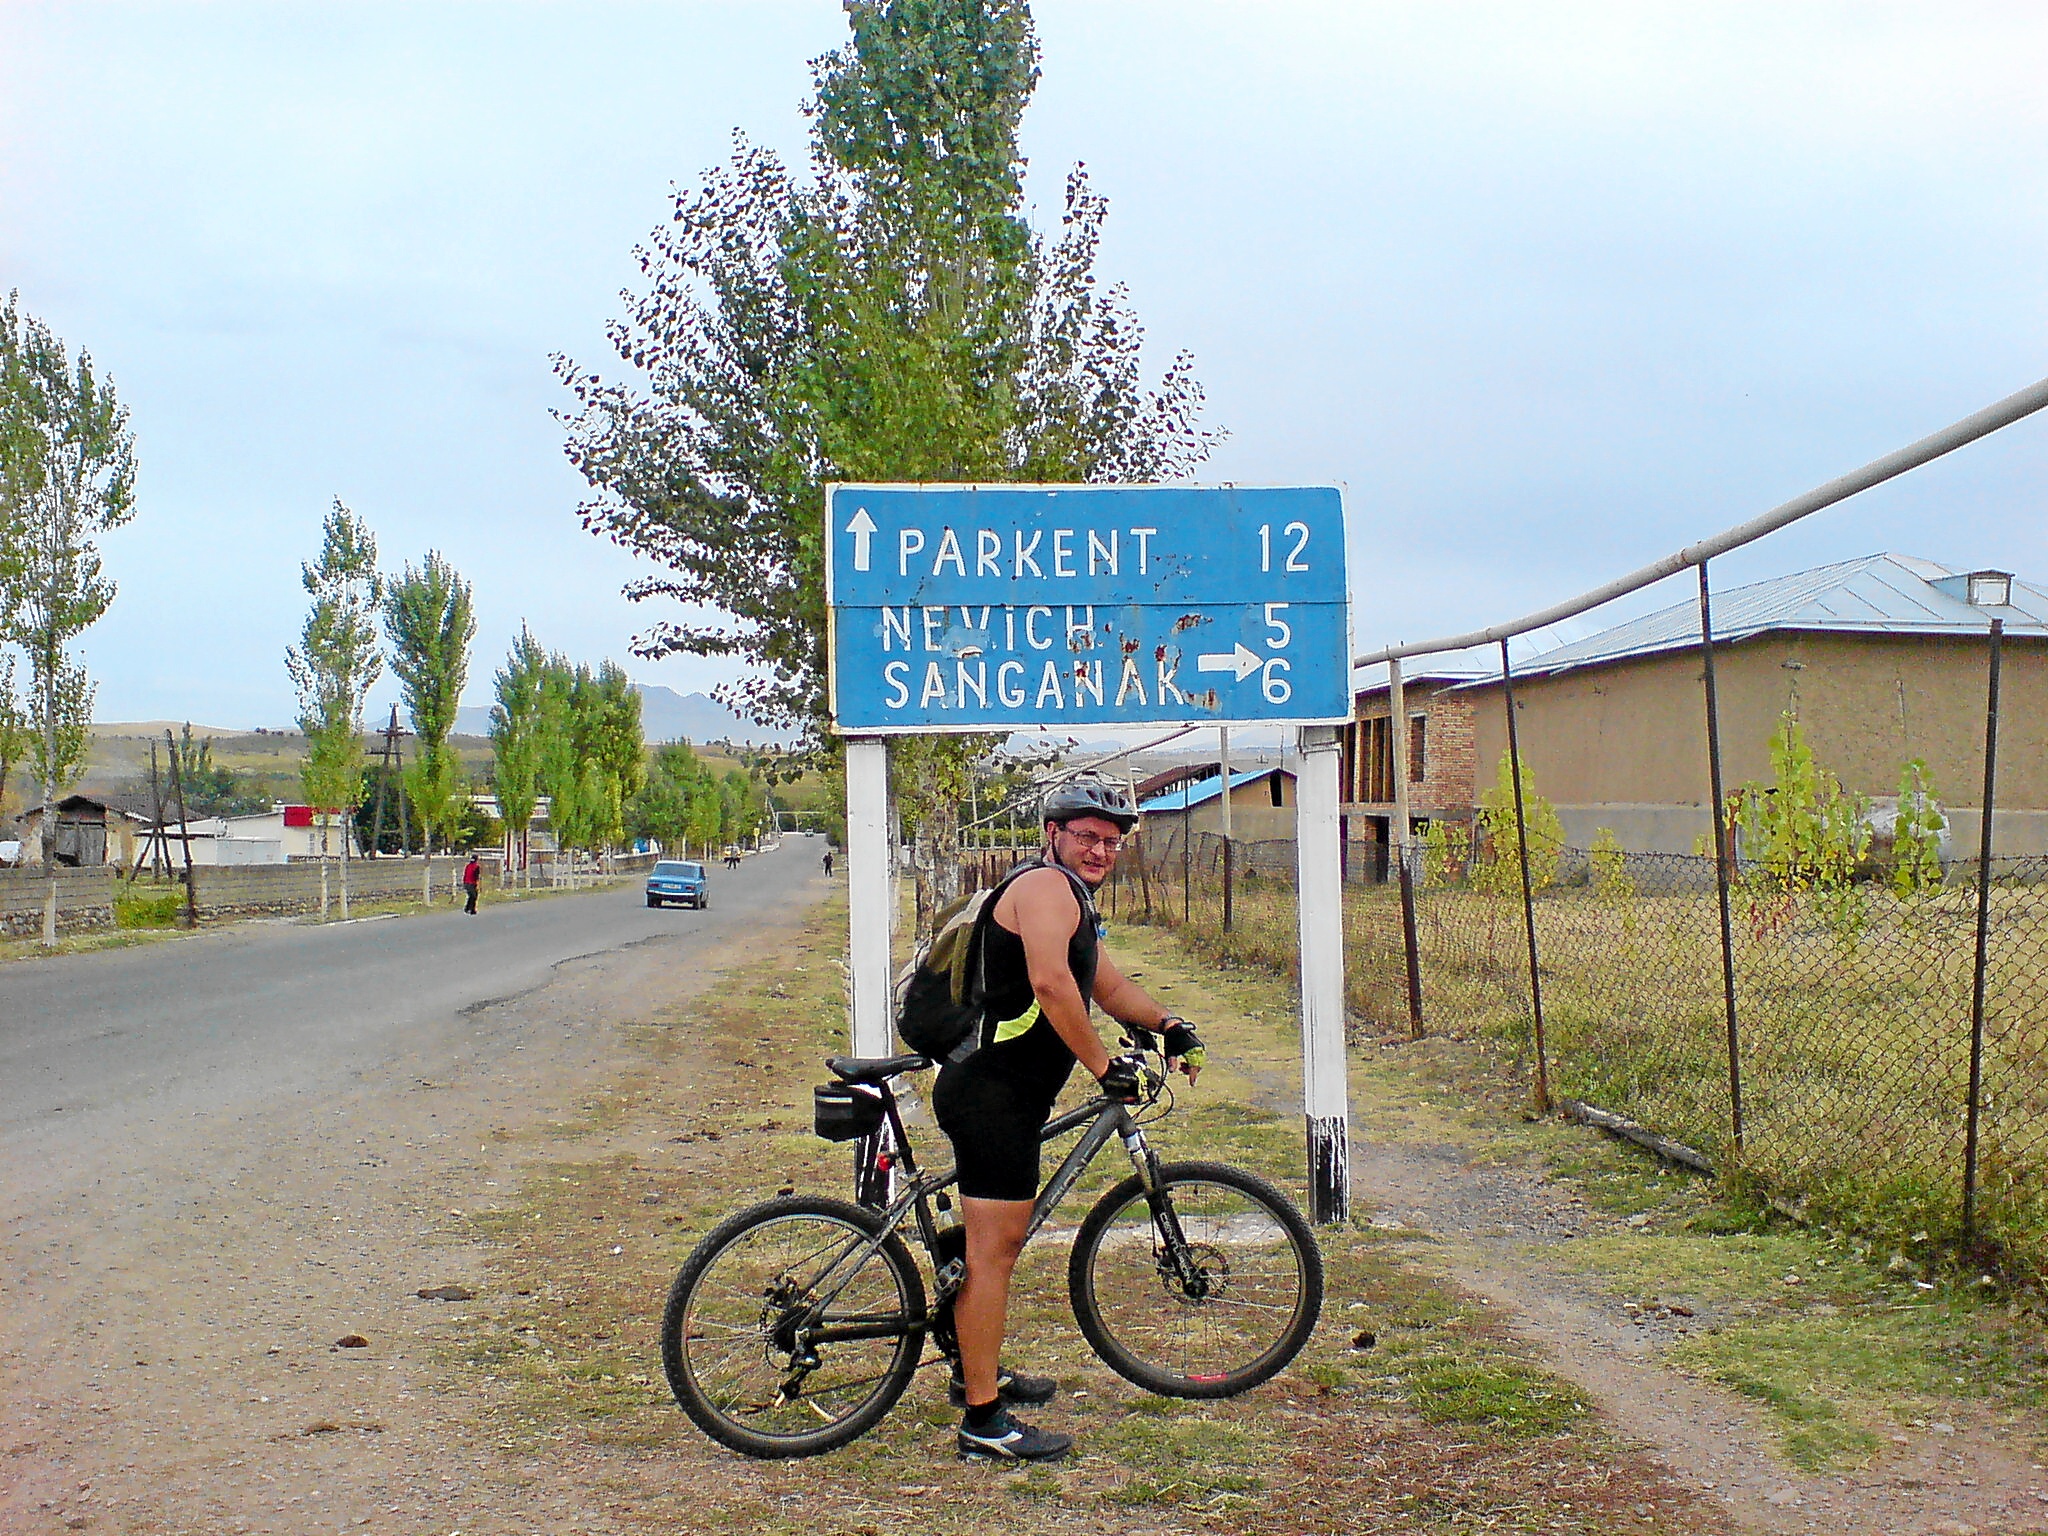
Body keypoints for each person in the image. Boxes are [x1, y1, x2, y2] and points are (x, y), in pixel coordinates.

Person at [935, 780, 1204, 1463]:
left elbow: (1105, 987)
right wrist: (1100, 1066)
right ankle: (983, 1424)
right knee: (997, 1253)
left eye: (1112, 841)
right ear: (1053, 832)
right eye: (1086, 836)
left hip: (1005, 1093)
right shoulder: (1045, 890)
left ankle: (975, 1360)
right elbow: (1053, 983)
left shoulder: (1069, 898)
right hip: (992, 1094)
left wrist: (1167, 1023)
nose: (1101, 850)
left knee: (987, 1246)